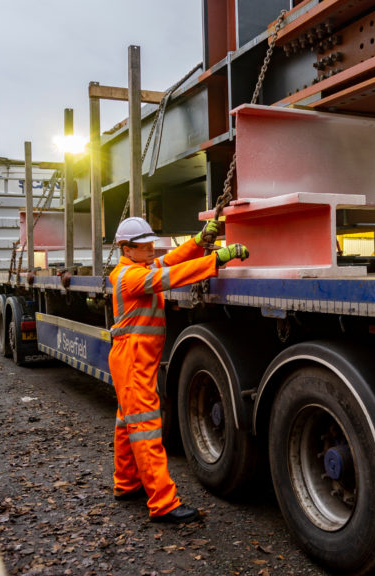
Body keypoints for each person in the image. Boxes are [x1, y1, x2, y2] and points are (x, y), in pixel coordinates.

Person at [108, 216, 248, 524]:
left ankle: (126, 483)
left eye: (151, 246)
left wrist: (198, 243)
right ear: (127, 249)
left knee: (126, 422)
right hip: (132, 360)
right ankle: (163, 503)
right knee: (145, 429)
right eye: (145, 248)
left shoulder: (139, 268)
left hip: (133, 359)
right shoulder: (130, 277)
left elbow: (171, 261)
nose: (153, 252)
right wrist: (217, 259)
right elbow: (171, 276)